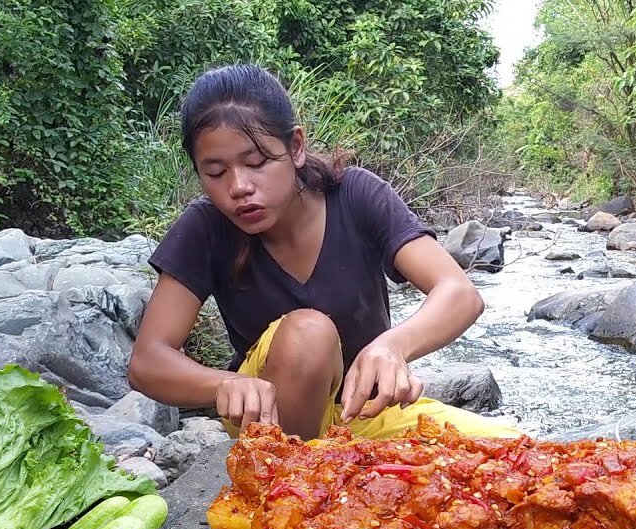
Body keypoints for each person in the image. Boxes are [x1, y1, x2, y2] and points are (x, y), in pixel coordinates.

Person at [127, 64, 519, 442]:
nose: (239, 186)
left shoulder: (357, 196)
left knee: (521, 455)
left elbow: (458, 292)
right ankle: (292, 486)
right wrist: (226, 384)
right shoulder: (206, 227)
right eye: (215, 172)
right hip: (271, 421)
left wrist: (391, 346)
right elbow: (148, 361)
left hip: (362, 411)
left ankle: (337, 469)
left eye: (257, 162)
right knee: (309, 333)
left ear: (295, 147)